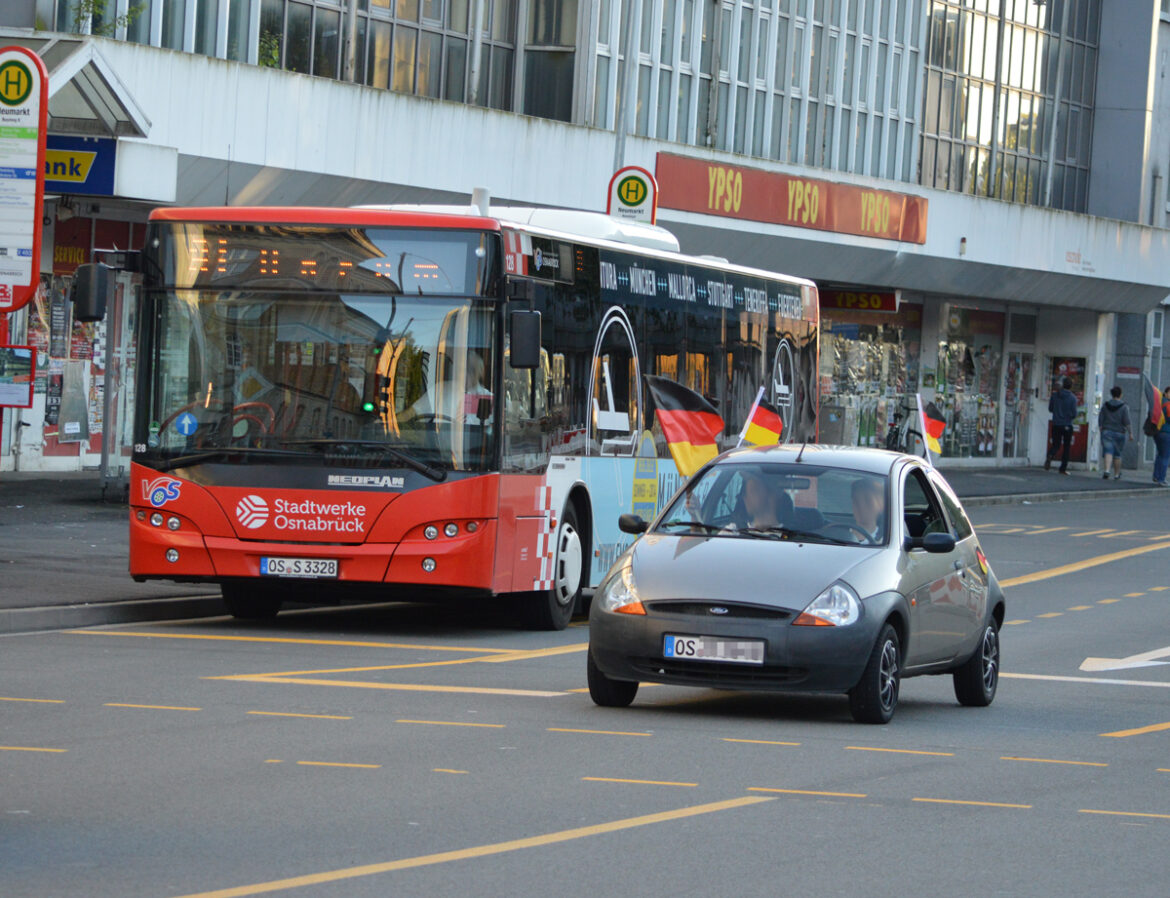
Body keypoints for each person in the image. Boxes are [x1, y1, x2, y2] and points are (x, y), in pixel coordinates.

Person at [1097, 386, 1132, 480]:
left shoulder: (1105, 405)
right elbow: (1127, 421)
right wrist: (1130, 433)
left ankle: (1107, 470)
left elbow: (1101, 418)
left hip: (1106, 431)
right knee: (1117, 454)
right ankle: (1116, 474)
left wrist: (1101, 427)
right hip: (1119, 432)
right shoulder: (1124, 407)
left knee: (1108, 451)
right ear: (1120, 394)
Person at [1044, 377, 1077, 475]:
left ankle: (1050, 454)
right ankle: (1062, 469)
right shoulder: (1072, 398)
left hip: (1056, 423)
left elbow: (1050, 409)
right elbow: (1074, 414)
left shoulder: (1055, 395)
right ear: (1071, 386)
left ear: (1063, 385)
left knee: (1056, 444)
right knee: (1066, 447)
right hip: (1067, 424)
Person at [851, 477, 886, 543]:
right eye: (856, 501)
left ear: (881, 505)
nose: (861, 507)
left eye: (868, 501)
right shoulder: (841, 535)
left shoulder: (887, 540)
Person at [1154, 386, 1170, 487]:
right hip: (1167, 432)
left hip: (1157, 432)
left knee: (1160, 454)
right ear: (1166, 393)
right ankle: (1162, 478)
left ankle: (1156, 475)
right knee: (1165, 456)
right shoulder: (1168, 404)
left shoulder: (1159, 402)